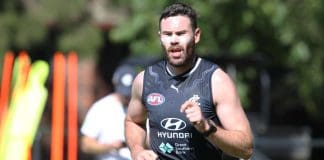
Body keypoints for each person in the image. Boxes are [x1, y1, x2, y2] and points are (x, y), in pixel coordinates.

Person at [124, 3, 254, 160]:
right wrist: (137, 150)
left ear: (196, 35)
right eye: (168, 34)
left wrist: (208, 128)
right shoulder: (145, 79)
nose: (173, 40)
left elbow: (246, 149)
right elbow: (133, 121)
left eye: (180, 33)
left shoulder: (216, 80)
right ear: (160, 37)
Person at [80, 64, 136, 160]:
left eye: (129, 92)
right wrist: (110, 146)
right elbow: (86, 144)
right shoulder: (101, 108)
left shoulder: (142, 106)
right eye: (123, 93)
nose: (126, 97)